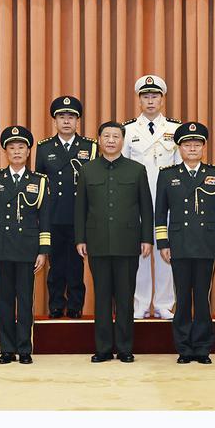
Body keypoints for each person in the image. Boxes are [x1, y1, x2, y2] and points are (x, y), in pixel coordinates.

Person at [75, 121, 154, 363]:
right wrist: (80, 238)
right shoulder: (88, 170)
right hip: (97, 242)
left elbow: (146, 208)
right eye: (106, 136)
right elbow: (80, 208)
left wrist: (146, 239)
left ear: (123, 140)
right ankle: (103, 348)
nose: (111, 140)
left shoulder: (136, 169)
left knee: (124, 297)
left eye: (116, 136)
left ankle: (125, 348)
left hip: (128, 242)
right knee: (101, 297)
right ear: (99, 139)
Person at [154, 122, 215, 364]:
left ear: (204, 147)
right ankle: (184, 348)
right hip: (180, 244)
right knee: (183, 298)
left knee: (203, 299)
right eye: (188, 144)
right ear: (179, 148)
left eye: (197, 144)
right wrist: (163, 243)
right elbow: (159, 212)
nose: (193, 148)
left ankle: (203, 347)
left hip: (207, 244)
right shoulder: (167, 175)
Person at [0, 125, 51, 365]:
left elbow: (45, 219)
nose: (17, 151)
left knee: (25, 301)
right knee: (5, 301)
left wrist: (43, 251)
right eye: (12, 147)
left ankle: (25, 348)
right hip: (1, 247)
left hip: (27, 248)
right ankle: (7, 349)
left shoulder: (38, 181)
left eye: (21, 147)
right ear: (5, 152)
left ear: (29, 151)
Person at [122, 74, 181, 319]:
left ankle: (164, 304)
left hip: (167, 202)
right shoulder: (127, 130)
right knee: (141, 252)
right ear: (139, 100)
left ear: (162, 99)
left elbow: (180, 167)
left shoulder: (176, 129)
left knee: (166, 252)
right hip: (137, 202)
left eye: (154, 96)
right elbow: (123, 168)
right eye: (145, 96)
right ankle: (140, 304)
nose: (150, 101)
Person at [34, 96, 96, 319]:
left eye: (71, 117)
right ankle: (56, 304)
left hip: (79, 216)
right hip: (53, 215)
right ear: (55, 120)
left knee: (77, 265)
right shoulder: (44, 148)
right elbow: (39, 185)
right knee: (56, 264)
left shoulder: (90, 147)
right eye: (62, 117)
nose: (66, 121)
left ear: (77, 121)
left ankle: (76, 305)